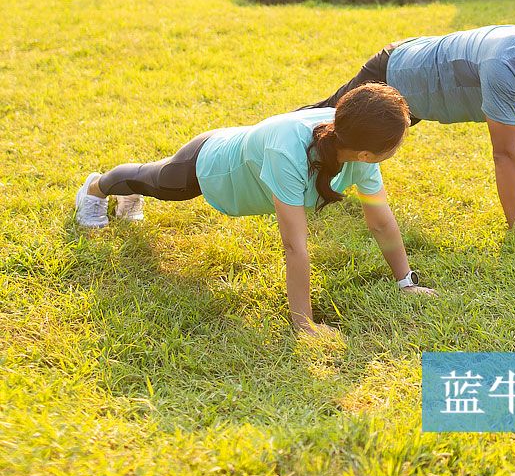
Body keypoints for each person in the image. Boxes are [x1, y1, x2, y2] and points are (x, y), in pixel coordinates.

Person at [74, 83, 433, 338]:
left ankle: (122, 196)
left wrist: (407, 284)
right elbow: (295, 246)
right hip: (210, 164)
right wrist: (304, 325)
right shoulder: (290, 152)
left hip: (245, 149)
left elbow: (381, 222)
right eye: (398, 141)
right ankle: (95, 187)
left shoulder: (358, 149)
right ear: (368, 152)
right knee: (153, 180)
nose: (400, 145)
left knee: (151, 182)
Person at [302, 14, 515, 233]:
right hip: (397, 73)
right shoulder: (506, 64)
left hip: (424, 97)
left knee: (348, 144)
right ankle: (266, 149)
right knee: (322, 126)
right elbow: (505, 154)